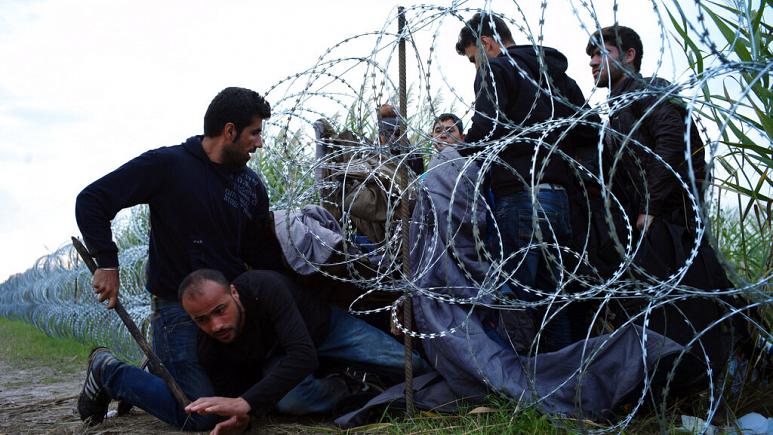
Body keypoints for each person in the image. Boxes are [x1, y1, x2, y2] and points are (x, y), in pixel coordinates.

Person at [75, 87, 283, 430]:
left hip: (231, 312)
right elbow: (93, 200)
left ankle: (154, 386)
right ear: (229, 131)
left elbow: (257, 253)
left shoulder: (252, 187)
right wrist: (106, 263)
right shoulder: (168, 166)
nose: (259, 143)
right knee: (203, 422)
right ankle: (109, 372)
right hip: (179, 314)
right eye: (255, 132)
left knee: (247, 403)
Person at [586, 25, 744, 397]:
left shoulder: (647, 90)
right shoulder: (620, 107)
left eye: (601, 52)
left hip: (674, 222)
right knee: (670, 306)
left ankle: (716, 379)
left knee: (692, 303)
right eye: (590, 56)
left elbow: (671, 143)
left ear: (629, 56)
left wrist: (651, 207)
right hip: (654, 223)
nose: (593, 62)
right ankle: (679, 385)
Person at [77, 269, 428, 433]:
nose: (216, 325)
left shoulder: (265, 286)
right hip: (283, 358)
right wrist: (242, 418)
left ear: (234, 292)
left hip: (324, 331)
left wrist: (245, 404)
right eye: (201, 320)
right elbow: (239, 395)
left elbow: (302, 354)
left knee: (414, 366)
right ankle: (349, 384)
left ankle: (349, 372)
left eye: (220, 310)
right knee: (293, 401)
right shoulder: (211, 344)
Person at [455, 12, 590, 351]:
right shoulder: (557, 76)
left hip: (520, 199)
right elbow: (588, 128)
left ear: (485, 43)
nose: (476, 66)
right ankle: (565, 383)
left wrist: (459, 155)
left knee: (517, 301)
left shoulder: (497, 69)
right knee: (554, 301)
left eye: (474, 59)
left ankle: (522, 383)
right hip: (560, 201)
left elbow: (485, 128)